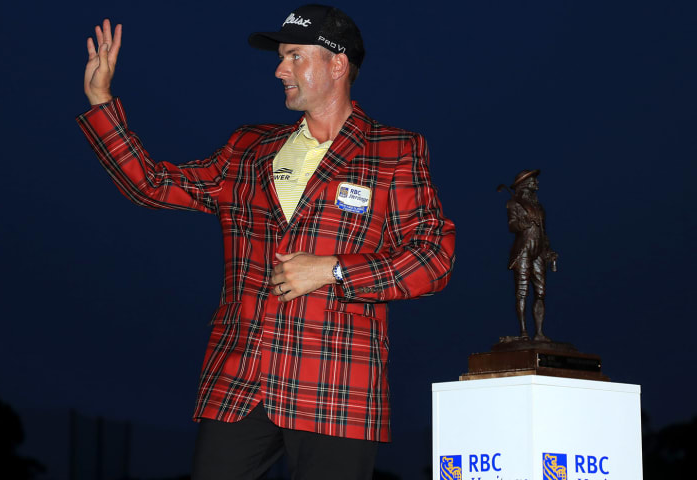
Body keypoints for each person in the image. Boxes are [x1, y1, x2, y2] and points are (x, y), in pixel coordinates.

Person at [77, 5, 456, 479]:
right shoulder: (248, 148)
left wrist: (334, 270)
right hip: (241, 381)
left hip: (335, 386)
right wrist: (101, 100)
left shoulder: (394, 151)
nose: (280, 70)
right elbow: (152, 184)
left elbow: (433, 258)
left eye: (295, 56)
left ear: (337, 65)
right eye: (281, 58)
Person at [505, 169, 557, 341]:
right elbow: (512, 226)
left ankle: (540, 333)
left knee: (540, 293)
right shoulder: (514, 204)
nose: (537, 183)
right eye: (534, 181)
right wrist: (523, 222)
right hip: (523, 251)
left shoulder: (539, 207)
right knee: (522, 292)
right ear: (526, 184)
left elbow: (544, 232)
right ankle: (523, 332)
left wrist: (548, 251)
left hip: (539, 252)